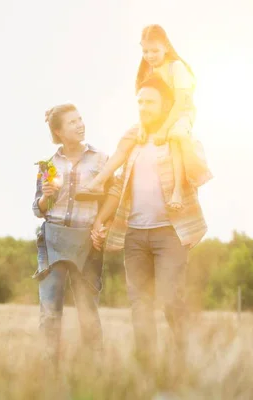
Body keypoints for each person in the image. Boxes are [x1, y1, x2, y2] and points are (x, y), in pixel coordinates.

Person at [91, 75, 208, 366]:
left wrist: (182, 137)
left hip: (170, 234)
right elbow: (118, 187)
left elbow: (198, 173)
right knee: (139, 305)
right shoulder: (133, 141)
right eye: (140, 101)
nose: (143, 106)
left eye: (150, 102)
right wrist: (99, 221)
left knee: (171, 300)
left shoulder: (178, 139)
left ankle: (186, 360)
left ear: (164, 104)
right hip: (135, 236)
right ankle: (147, 368)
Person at [83, 24, 212, 210]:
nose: (150, 56)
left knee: (176, 136)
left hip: (180, 113)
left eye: (155, 51)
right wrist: (143, 127)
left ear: (166, 47)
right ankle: (99, 181)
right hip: (155, 117)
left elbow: (181, 103)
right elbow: (144, 102)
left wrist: (164, 129)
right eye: (145, 51)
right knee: (128, 138)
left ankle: (177, 190)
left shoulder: (176, 67)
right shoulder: (149, 70)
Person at [31, 103, 111, 369]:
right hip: (53, 240)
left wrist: (102, 226)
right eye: (72, 122)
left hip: (86, 243)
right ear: (58, 131)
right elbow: (38, 210)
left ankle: (95, 373)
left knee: (88, 314)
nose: (79, 125)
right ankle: (48, 373)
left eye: (80, 119)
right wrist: (46, 197)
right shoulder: (48, 165)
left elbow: (113, 197)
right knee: (50, 314)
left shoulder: (101, 159)